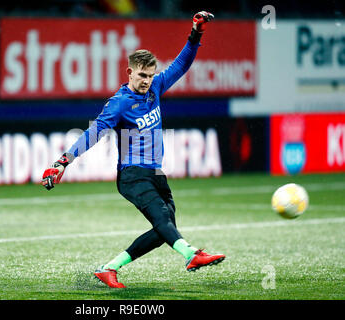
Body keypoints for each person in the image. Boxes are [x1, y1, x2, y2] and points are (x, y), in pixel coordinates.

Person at [42, 11, 224, 288]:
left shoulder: (155, 88)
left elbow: (182, 64)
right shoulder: (119, 103)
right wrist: (64, 161)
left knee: (165, 228)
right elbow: (93, 132)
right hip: (132, 175)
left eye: (150, 75)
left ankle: (109, 268)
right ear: (129, 72)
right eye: (142, 75)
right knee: (164, 220)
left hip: (155, 173)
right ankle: (192, 254)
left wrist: (196, 32)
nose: (147, 81)